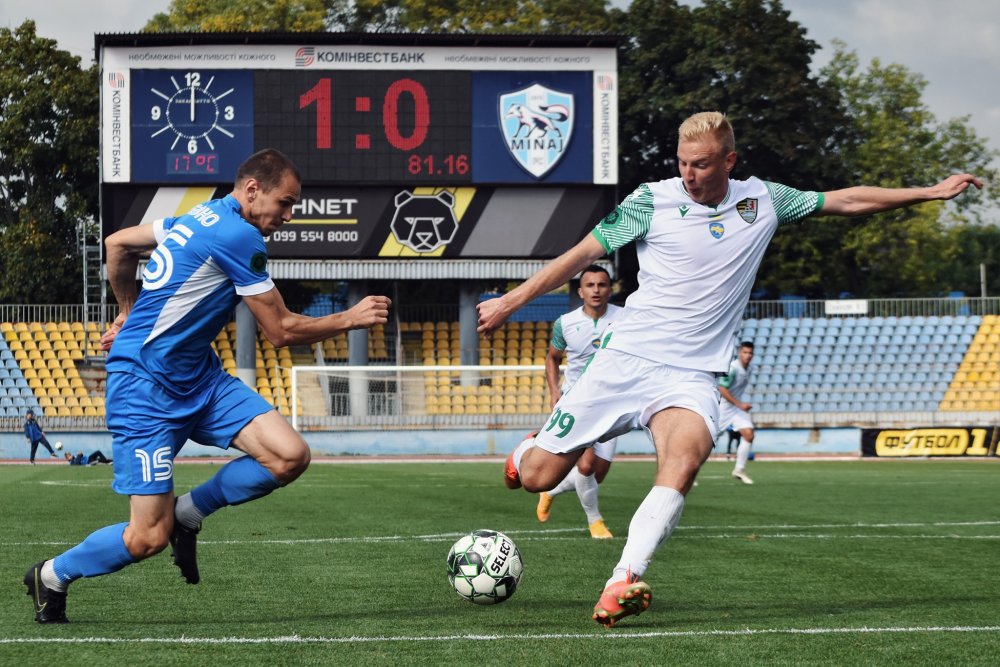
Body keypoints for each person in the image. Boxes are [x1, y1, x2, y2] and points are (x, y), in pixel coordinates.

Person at [477, 111, 981, 627]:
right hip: (625, 361)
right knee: (537, 477)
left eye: (700, 164)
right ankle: (527, 450)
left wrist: (928, 192)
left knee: (685, 461)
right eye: (682, 163)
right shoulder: (650, 202)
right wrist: (509, 302)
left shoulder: (763, 200)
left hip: (690, 377)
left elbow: (846, 200)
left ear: (729, 161)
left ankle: (622, 579)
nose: (689, 175)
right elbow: (579, 254)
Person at [23, 148, 391, 624]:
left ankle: (189, 513)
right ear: (252, 190)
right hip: (145, 388)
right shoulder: (238, 234)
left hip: (200, 377)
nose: (288, 216)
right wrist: (349, 318)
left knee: (288, 456)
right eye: (285, 203)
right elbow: (280, 331)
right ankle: (52, 574)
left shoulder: (198, 216)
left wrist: (127, 310)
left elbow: (119, 244)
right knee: (148, 538)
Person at [535, 264, 623, 539]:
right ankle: (596, 522)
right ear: (581, 291)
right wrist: (554, 391)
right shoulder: (566, 323)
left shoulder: (626, 318)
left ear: (610, 289)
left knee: (596, 475)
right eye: (590, 285)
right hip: (576, 403)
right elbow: (552, 358)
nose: (596, 290)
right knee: (585, 466)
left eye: (602, 285)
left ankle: (552, 490)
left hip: (611, 403)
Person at [719, 341, 756, 484]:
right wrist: (740, 404)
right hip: (723, 408)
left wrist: (739, 405)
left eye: (750, 353)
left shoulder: (750, 368)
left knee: (749, 434)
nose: (748, 355)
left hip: (736, 408)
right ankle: (689, 470)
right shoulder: (733, 368)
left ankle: (739, 470)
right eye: (745, 352)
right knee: (707, 442)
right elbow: (722, 389)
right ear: (739, 353)